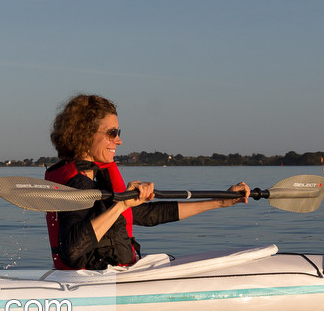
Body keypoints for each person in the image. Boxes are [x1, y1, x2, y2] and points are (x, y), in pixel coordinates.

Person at [44, 94, 250, 270]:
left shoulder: (92, 183)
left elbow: (149, 214)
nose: (119, 140)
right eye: (111, 133)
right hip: (95, 282)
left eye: (118, 133)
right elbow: (71, 249)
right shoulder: (78, 184)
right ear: (85, 135)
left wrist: (220, 201)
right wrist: (121, 205)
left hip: (108, 276)